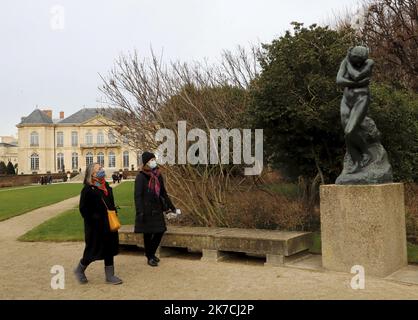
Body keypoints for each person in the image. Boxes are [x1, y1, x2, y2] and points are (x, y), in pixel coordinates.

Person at [74, 163, 122, 285]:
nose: (102, 170)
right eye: (99, 169)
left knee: (109, 249)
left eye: (101, 168)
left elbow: (110, 204)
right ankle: (80, 269)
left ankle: (110, 276)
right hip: (95, 227)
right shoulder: (88, 190)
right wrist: (95, 218)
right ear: (93, 174)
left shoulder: (106, 187)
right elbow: (83, 209)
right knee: (92, 251)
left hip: (109, 224)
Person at [134, 152, 176, 267]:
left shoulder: (158, 175)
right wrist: (140, 211)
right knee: (147, 234)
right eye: (151, 159)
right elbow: (138, 196)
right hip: (146, 210)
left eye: (154, 159)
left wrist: (172, 207)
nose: (154, 161)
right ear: (146, 162)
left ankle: (150, 253)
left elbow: (163, 193)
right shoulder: (141, 177)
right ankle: (150, 256)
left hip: (157, 208)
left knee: (160, 230)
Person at [336, 46, 374, 174]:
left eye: (360, 61)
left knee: (350, 130)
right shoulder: (345, 61)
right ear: (351, 55)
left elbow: (356, 75)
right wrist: (356, 84)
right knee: (347, 134)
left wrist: (347, 61)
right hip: (346, 101)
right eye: (355, 59)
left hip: (361, 99)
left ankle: (366, 153)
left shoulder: (369, 63)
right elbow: (339, 80)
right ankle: (357, 162)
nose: (358, 63)